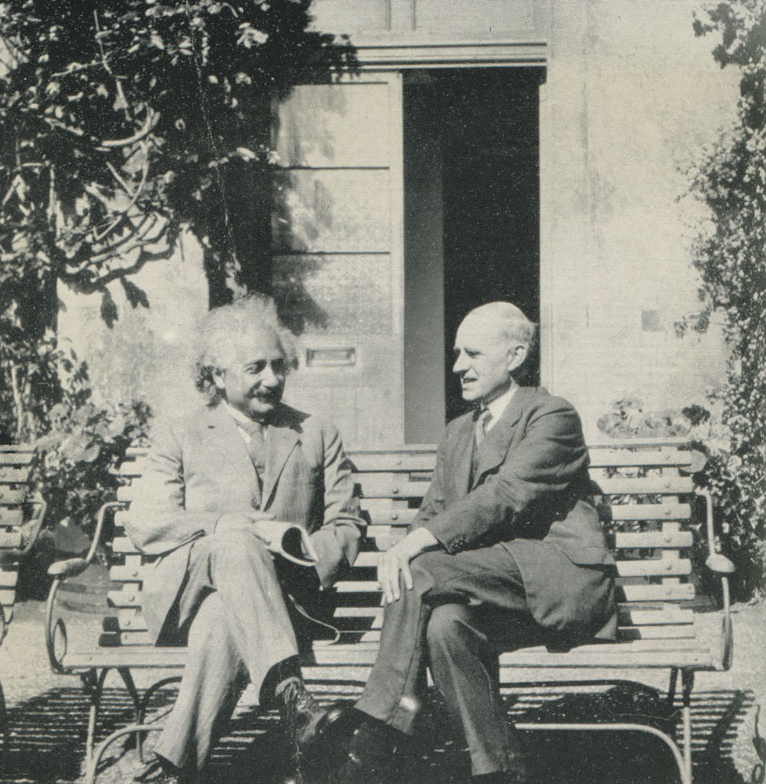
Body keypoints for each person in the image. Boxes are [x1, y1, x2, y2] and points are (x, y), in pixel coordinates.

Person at [330, 302, 617, 784]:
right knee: (446, 626)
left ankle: (378, 731)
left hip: (556, 578)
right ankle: (499, 770)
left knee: (421, 570)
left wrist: (414, 546)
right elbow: (434, 514)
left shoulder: (551, 415)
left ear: (516, 354)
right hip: (489, 592)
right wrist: (410, 541)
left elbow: (506, 495)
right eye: (457, 353)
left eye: (473, 353)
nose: (458, 366)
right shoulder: (458, 432)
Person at [125, 295, 363, 783]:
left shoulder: (316, 432)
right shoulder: (182, 433)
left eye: (279, 366)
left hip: (282, 601)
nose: (272, 379)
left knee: (224, 616)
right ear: (216, 376)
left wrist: (299, 551)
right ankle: (293, 698)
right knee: (236, 539)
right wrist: (225, 527)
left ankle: (174, 768)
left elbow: (347, 524)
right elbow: (146, 520)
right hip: (187, 593)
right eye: (255, 367)